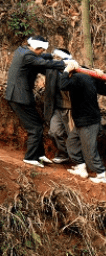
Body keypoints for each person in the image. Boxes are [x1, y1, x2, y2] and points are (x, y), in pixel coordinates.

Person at [5, 35, 67, 167]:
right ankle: (30, 157)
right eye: (42, 51)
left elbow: (41, 58)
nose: (42, 53)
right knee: (35, 128)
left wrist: (50, 55)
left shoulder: (21, 50)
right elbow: (43, 63)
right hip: (19, 98)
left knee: (38, 123)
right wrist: (64, 63)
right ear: (37, 48)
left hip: (16, 95)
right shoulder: (28, 57)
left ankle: (40, 154)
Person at [58, 61, 106, 183]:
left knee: (89, 150)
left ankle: (101, 175)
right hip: (82, 120)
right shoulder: (86, 77)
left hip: (88, 121)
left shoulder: (77, 77)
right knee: (72, 143)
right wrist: (99, 76)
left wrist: (66, 71)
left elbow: (63, 85)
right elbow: (99, 87)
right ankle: (81, 168)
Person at [43, 47, 72, 164]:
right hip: (58, 108)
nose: (55, 59)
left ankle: (79, 160)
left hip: (71, 109)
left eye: (58, 57)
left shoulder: (75, 71)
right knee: (54, 132)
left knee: (75, 136)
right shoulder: (52, 70)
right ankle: (63, 153)